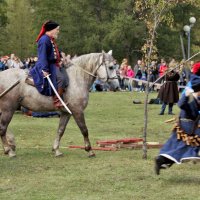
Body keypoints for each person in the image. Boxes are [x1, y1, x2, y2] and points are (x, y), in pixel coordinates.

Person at [154, 74, 200, 175]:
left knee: (174, 145)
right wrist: (187, 95)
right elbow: (183, 105)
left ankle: (162, 160)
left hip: (183, 125)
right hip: (188, 127)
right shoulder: (191, 97)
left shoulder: (193, 96)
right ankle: (163, 160)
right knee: (187, 146)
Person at [29, 20, 68, 108]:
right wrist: (45, 70)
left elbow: (53, 52)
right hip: (47, 66)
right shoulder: (44, 40)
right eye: (57, 29)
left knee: (65, 76)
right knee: (61, 79)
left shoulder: (50, 39)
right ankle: (57, 101)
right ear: (51, 29)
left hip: (54, 65)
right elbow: (42, 56)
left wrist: (61, 54)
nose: (58, 31)